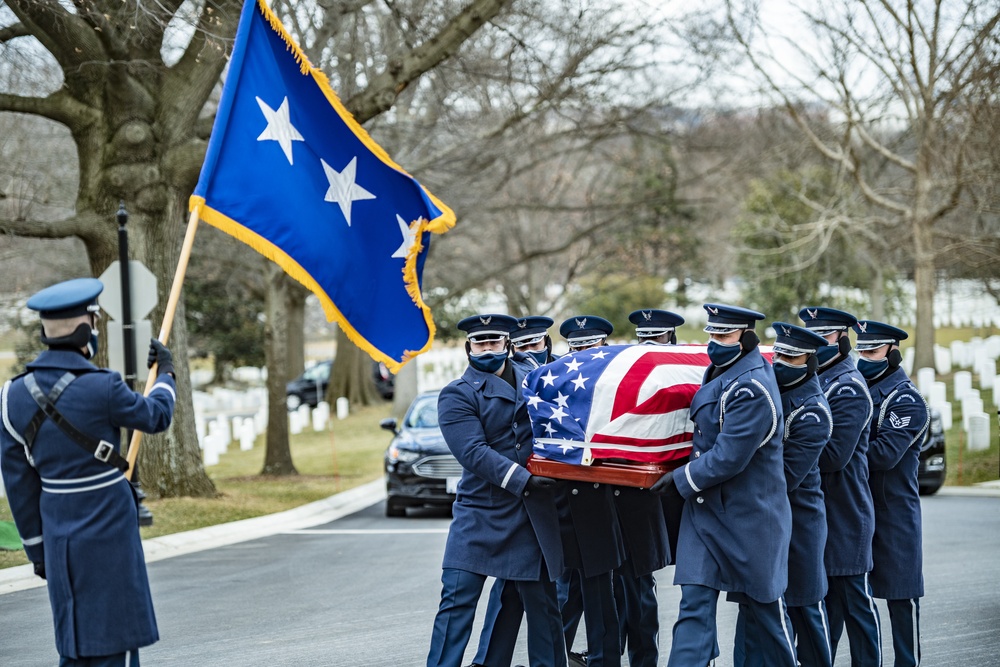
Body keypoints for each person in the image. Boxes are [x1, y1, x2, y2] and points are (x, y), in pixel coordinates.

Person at [0, 277, 177, 667]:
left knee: (75, 642)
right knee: (114, 643)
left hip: (58, 534)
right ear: (86, 329)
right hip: (109, 529)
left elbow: (19, 484)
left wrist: (37, 550)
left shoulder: (13, 395)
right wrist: (166, 374)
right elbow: (157, 415)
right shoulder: (104, 387)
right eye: (94, 323)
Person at [651, 303, 795, 667]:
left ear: (746, 338)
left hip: (750, 520)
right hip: (705, 515)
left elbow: (730, 455)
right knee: (693, 607)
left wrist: (680, 478)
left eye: (724, 335)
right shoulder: (721, 371)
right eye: (712, 334)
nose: (715, 342)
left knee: (767, 619)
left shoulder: (752, 388)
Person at [426, 314, 566, 667]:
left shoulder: (536, 381)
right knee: (457, 603)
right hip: (481, 512)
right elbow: (473, 452)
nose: (487, 349)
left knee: (543, 605)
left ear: (508, 345)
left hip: (530, 514)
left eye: (494, 342)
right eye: (480, 343)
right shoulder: (457, 394)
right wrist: (523, 479)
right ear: (468, 347)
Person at [732, 322, 833, 667]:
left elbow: (784, 477)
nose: (780, 361)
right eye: (779, 353)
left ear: (810, 362)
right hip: (764, 520)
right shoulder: (767, 388)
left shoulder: (815, 411)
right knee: (755, 610)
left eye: (792, 356)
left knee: (805, 610)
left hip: (800, 524)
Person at [471, 314, 557, 667]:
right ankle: (491, 660)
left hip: (558, 496)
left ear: (548, 344)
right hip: (519, 495)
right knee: (519, 587)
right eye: (520, 345)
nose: (527, 351)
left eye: (534, 344)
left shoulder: (562, 378)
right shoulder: (507, 380)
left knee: (553, 590)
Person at [798, 306, 882, 665]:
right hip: (820, 513)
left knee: (855, 606)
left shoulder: (849, 387)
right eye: (812, 336)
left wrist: (793, 448)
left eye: (826, 336)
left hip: (846, 513)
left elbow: (833, 457)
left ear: (842, 339)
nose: (817, 343)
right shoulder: (816, 379)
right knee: (824, 610)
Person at [602, 308, 685, 667]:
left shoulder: (680, 377)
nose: (650, 344)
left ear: (673, 340)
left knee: (653, 586)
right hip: (621, 493)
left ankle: (656, 658)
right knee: (622, 585)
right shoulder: (624, 377)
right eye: (643, 338)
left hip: (666, 493)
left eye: (659, 337)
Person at [854, 320, 928, 667]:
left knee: (901, 603)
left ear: (893, 353)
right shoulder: (856, 391)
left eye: (872, 350)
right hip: (857, 511)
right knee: (854, 601)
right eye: (861, 351)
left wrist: (842, 449)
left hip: (893, 515)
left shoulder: (907, 400)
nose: (864, 358)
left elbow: (882, 456)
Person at [554, 315, 624, 667]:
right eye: (576, 347)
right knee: (564, 589)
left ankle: (604, 659)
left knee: (601, 590)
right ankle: (558, 657)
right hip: (561, 499)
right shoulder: (553, 382)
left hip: (602, 499)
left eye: (590, 346)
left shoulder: (620, 383)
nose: (583, 353)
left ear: (604, 347)